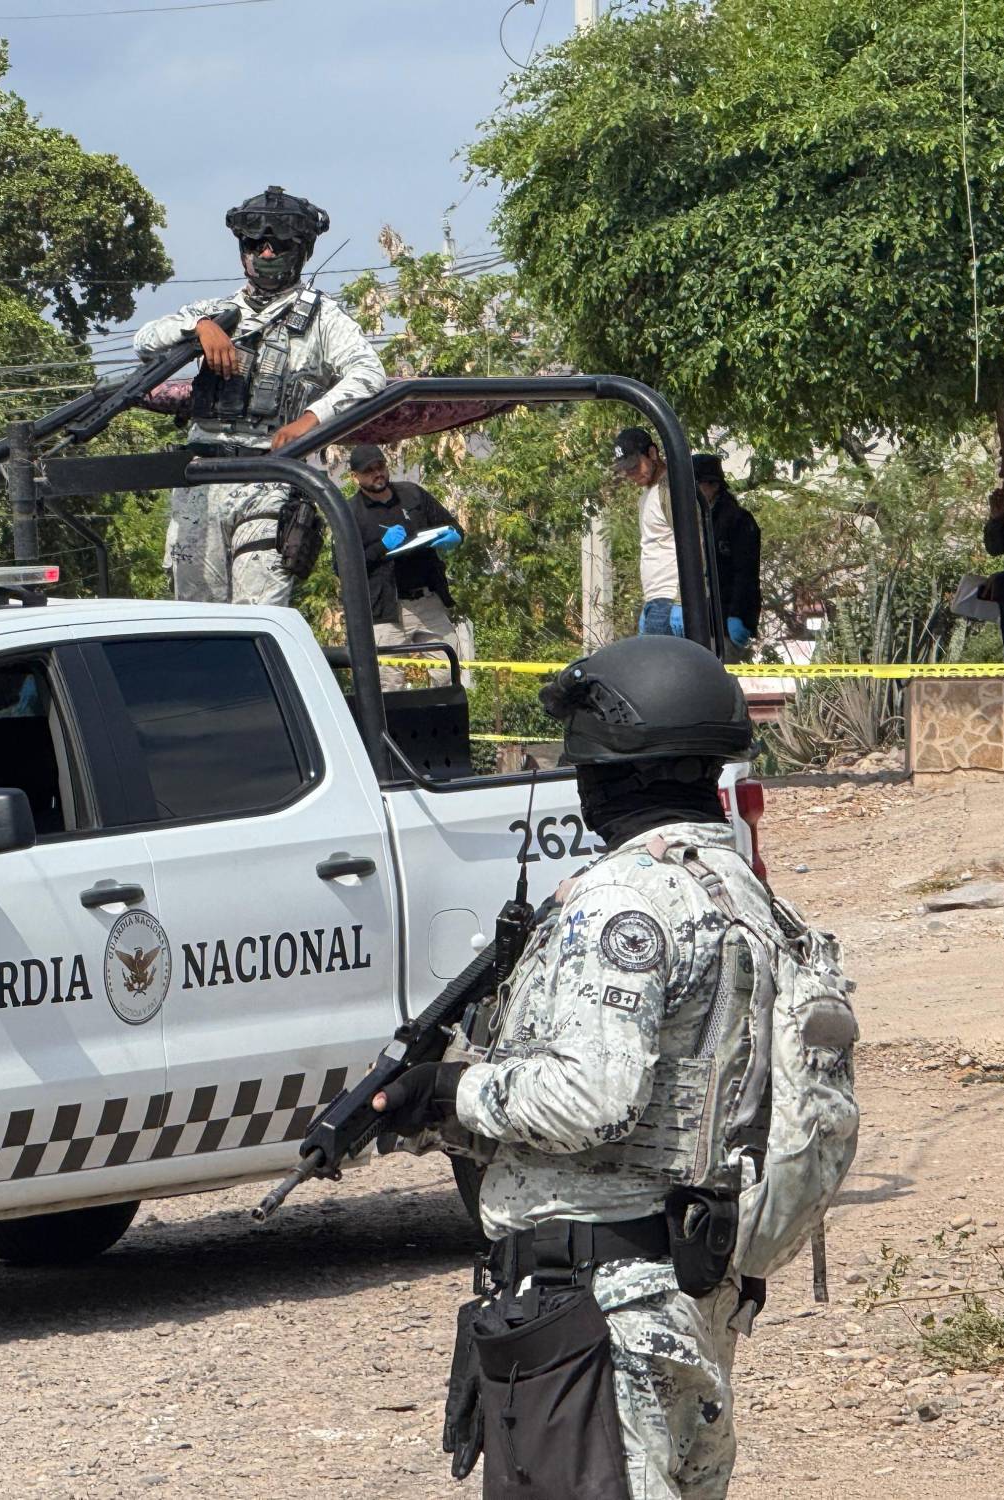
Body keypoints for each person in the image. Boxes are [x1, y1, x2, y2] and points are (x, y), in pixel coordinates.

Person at [373, 637, 819, 1499]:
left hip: (600, 1306)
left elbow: (593, 1098)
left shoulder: (621, 902)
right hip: (696, 1286)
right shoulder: (752, 896)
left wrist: (450, 1091)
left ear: (612, 771)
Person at [133, 186, 387, 606]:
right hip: (200, 480)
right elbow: (144, 341)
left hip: (270, 479)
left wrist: (310, 420)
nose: (266, 253)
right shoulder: (216, 310)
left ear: (301, 249)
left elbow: (368, 373)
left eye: (279, 243)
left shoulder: (323, 318)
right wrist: (199, 327)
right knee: (197, 621)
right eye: (256, 243)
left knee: (257, 614)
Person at [348, 443, 465, 687]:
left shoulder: (412, 494)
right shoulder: (350, 513)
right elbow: (342, 567)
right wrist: (382, 546)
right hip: (386, 611)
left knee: (448, 673)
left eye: (379, 466)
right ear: (355, 477)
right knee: (390, 684)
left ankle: (440, 723)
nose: (376, 473)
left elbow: (454, 528)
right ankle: (393, 727)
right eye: (368, 470)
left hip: (427, 600)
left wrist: (452, 538)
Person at [618, 427, 683, 638]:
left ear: (653, 454)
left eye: (635, 466)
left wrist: (682, 601)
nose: (630, 474)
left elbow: (694, 542)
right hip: (655, 601)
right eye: (625, 469)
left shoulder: (669, 490)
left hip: (669, 600)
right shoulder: (648, 494)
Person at [696, 455, 762, 659]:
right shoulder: (702, 519)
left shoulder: (738, 520)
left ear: (712, 485)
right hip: (705, 621)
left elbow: (746, 574)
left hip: (727, 623)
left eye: (695, 485)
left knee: (720, 682)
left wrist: (737, 616)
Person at [979, 486, 1004, 660]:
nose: (1001, 472)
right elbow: (994, 548)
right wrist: (997, 518)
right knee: (1001, 583)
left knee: (1003, 583)